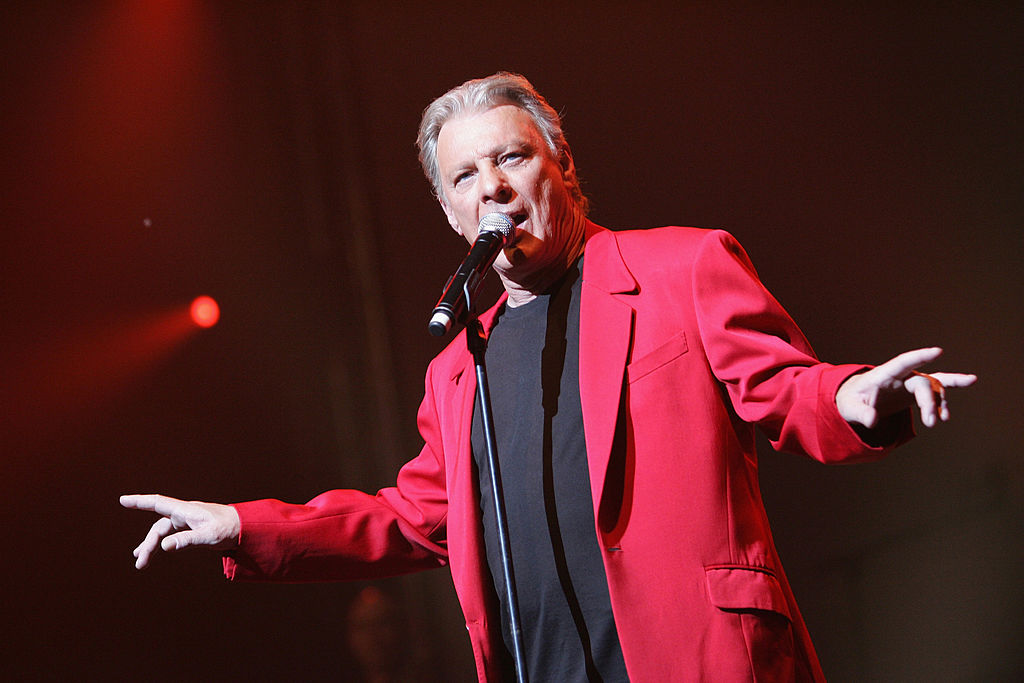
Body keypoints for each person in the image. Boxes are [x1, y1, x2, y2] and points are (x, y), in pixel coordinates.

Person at [121, 72, 976, 682]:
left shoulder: (680, 267)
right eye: (465, 176)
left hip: (700, 661)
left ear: (561, 165)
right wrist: (241, 523)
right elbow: (417, 520)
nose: (492, 187)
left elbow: (785, 389)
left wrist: (853, 396)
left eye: (512, 158)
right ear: (451, 213)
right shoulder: (461, 365)